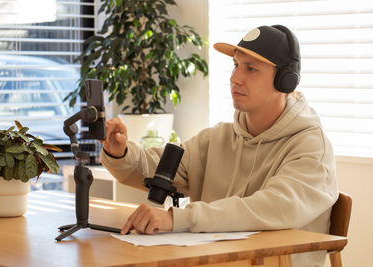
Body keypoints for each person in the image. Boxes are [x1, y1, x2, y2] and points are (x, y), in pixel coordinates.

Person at [101, 25, 338, 267]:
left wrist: (178, 218)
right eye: (236, 65)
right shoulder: (217, 138)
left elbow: (272, 206)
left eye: (251, 69)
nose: (234, 78)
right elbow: (161, 170)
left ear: (285, 81)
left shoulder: (311, 147)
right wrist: (120, 153)